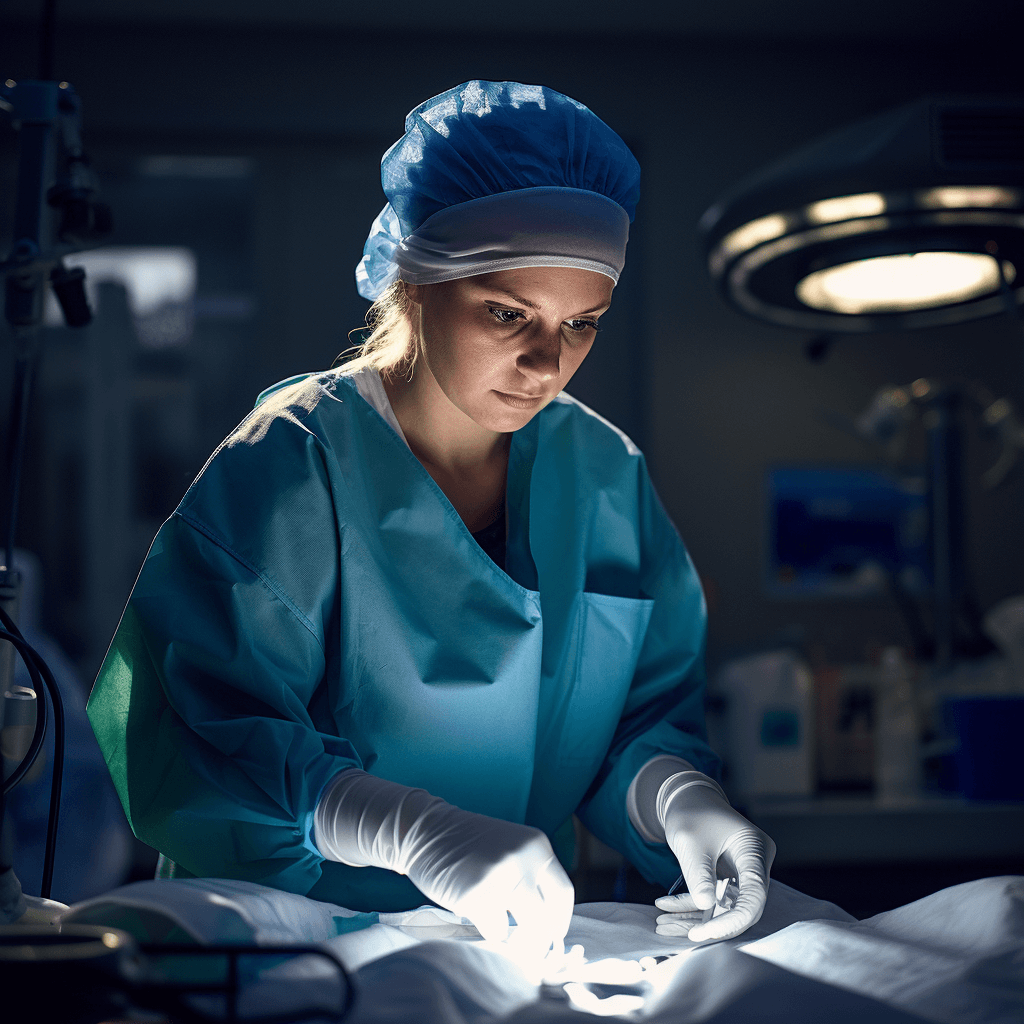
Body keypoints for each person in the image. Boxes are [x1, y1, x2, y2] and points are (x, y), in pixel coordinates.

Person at [87, 81, 775, 956]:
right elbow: (204, 742)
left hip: (517, 948)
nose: (546, 360)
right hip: (288, 943)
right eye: (506, 312)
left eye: (583, 324)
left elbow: (634, 721)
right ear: (416, 278)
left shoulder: (604, 476)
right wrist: (406, 832)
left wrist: (680, 800)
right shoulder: (295, 462)